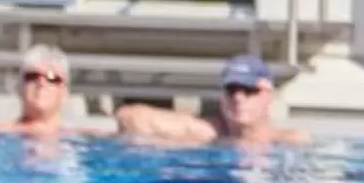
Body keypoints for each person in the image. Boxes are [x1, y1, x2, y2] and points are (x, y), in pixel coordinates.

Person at [114, 55, 311, 146]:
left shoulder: (288, 141)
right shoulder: (210, 133)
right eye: (231, 90)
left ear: (268, 94)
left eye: (248, 90)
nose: (238, 97)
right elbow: (129, 115)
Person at [1, 43, 83, 135]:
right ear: (20, 87)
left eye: (52, 78)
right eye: (32, 76)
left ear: (64, 91)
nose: (41, 83)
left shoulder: (86, 137)